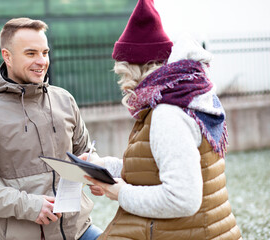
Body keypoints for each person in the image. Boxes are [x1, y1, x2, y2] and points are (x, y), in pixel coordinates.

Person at [80, 0, 243, 239]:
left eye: (123, 72)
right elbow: (156, 168)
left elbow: (182, 199)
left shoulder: (168, 113)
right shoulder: (185, 95)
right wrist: (102, 166)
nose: (123, 85)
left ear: (137, 68)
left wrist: (120, 192)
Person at [0, 18, 102, 240]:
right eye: (31, 54)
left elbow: (85, 149)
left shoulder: (64, 100)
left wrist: (94, 169)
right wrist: (28, 206)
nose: (41, 61)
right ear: (7, 56)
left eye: (45, 52)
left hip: (80, 230)